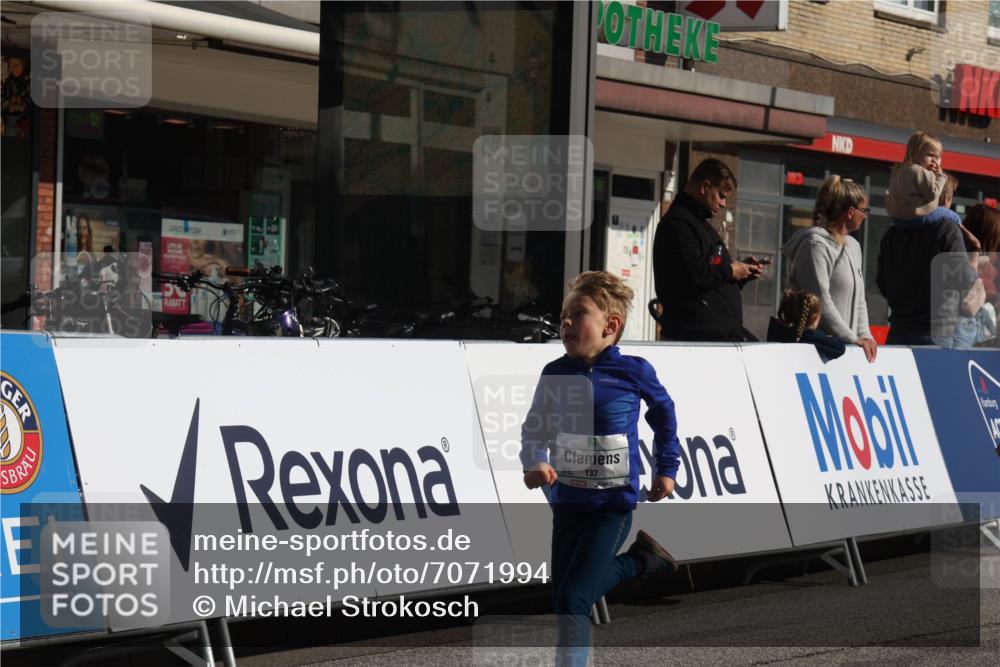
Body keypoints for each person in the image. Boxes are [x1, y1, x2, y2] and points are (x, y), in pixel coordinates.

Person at [520, 271, 680, 665]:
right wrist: (535, 460)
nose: (566, 322)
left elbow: (664, 413)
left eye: (579, 313)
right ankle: (643, 560)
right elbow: (534, 427)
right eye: (563, 316)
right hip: (568, 503)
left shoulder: (633, 371)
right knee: (563, 597)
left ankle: (637, 562)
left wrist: (666, 467)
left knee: (574, 598)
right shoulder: (555, 373)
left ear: (611, 325)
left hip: (612, 506)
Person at [652, 158, 764, 341]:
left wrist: (741, 275)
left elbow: (711, 281)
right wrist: (730, 271)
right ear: (704, 187)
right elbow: (694, 275)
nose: (723, 203)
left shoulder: (700, 225)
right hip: (694, 340)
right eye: (721, 196)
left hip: (714, 337)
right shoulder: (678, 224)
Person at [782, 175, 877, 362]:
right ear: (850, 212)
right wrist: (851, 338)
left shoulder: (853, 246)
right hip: (816, 353)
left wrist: (865, 335)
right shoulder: (815, 245)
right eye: (864, 210)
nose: (865, 215)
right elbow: (821, 300)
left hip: (843, 350)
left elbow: (860, 300)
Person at [877, 200, 976, 347]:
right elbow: (965, 279)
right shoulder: (946, 229)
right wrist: (974, 255)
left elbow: (882, 283)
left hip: (898, 330)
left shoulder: (891, 234)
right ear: (946, 198)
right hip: (935, 333)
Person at [886, 131, 961, 228]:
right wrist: (941, 176)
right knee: (953, 216)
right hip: (917, 217)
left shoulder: (898, 170)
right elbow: (933, 193)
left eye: (937, 157)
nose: (934, 160)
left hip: (897, 218)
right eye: (930, 155)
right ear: (914, 154)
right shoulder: (920, 171)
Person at [766, 291, 846, 360]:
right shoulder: (808, 337)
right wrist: (826, 336)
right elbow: (839, 347)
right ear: (814, 318)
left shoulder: (777, 332)